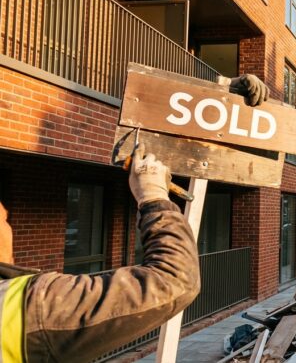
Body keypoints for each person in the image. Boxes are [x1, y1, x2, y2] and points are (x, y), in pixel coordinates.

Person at [0, 74, 267, 362]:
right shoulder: (24, 308)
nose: (7, 220)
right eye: (3, 217)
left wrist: (222, 96)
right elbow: (174, 281)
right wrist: (153, 197)